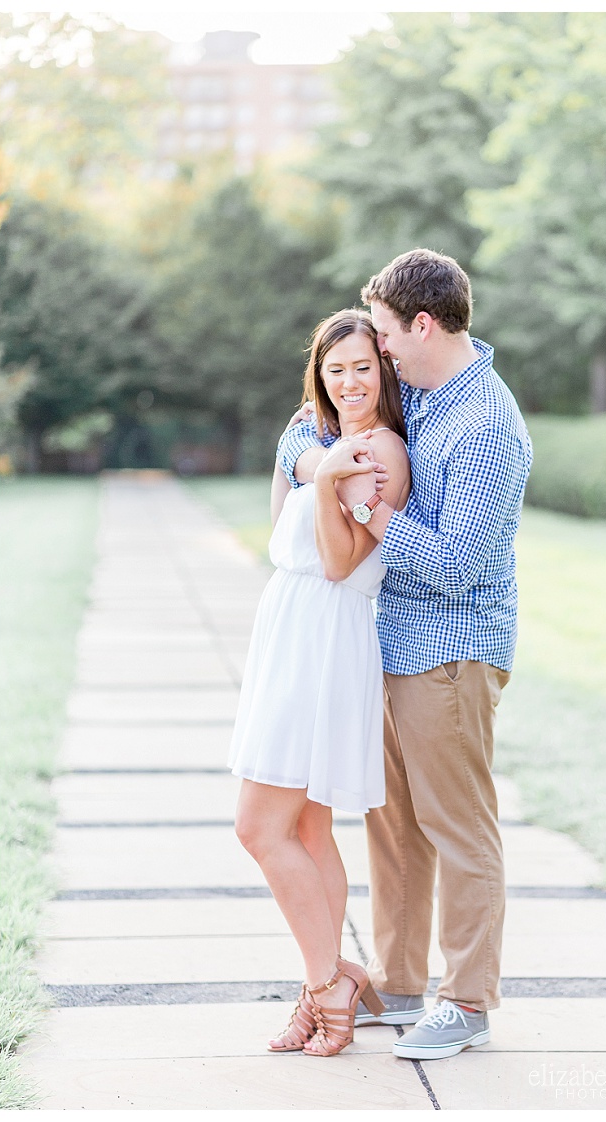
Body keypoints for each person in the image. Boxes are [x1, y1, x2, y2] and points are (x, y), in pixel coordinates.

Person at [278, 248, 533, 1060]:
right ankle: (402, 979)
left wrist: (370, 510)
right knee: (392, 830)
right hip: (386, 643)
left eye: (386, 336)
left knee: (458, 827)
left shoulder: (487, 422)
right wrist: (324, 466)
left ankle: (468, 1002)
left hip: (450, 650)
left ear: (423, 325)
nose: (378, 354)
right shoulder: (422, 395)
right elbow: (304, 436)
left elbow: (459, 563)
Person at [231, 308, 412, 1056]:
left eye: (363, 367)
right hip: (289, 623)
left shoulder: (383, 451)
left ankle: (324, 984)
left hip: (329, 631)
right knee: (306, 827)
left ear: (384, 371)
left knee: (256, 827)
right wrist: (315, 461)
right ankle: (327, 981)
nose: (349, 382)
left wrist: (333, 468)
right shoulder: (321, 442)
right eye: (335, 369)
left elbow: (340, 563)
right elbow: (281, 529)